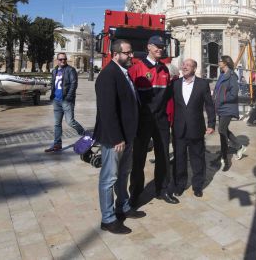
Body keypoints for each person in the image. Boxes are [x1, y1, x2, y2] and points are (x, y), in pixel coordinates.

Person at [94, 39, 143, 235]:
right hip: (115, 139)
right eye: (127, 53)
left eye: (130, 53)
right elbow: (107, 111)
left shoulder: (124, 73)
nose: (131, 56)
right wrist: (116, 138)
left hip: (127, 135)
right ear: (115, 54)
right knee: (109, 177)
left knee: (124, 173)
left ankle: (122, 206)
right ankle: (108, 219)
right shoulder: (108, 75)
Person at [129, 35, 178, 206]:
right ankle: (135, 193)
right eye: (157, 46)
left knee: (163, 155)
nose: (160, 49)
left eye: (162, 47)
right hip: (143, 121)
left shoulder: (165, 70)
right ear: (149, 47)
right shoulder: (137, 68)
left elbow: (169, 97)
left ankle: (162, 190)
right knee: (138, 157)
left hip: (161, 121)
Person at [171, 58, 216, 197]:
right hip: (178, 128)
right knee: (179, 158)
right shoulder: (175, 84)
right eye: (183, 65)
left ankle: (197, 186)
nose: (184, 67)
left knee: (197, 158)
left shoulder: (202, 84)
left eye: (188, 65)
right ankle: (180, 185)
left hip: (196, 127)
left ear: (194, 69)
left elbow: (209, 105)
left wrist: (211, 124)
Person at [45, 52, 85, 152]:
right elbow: (53, 83)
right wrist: (52, 94)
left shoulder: (70, 70)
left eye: (64, 59)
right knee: (57, 124)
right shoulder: (54, 71)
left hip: (66, 101)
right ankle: (57, 144)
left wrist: (68, 97)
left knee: (70, 121)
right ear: (57, 60)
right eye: (61, 59)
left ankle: (85, 134)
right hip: (56, 101)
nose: (63, 61)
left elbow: (73, 84)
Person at [213, 55, 247, 171]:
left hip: (228, 107)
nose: (218, 62)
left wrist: (221, 99)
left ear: (225, 63)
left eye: (220, 61)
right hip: (220, 107)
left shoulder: (232, 76)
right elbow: (218, 89)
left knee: (221, 130)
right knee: (223, 130)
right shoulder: (222, 75)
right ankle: (232, 149)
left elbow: (234, 93)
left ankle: (230, 152)